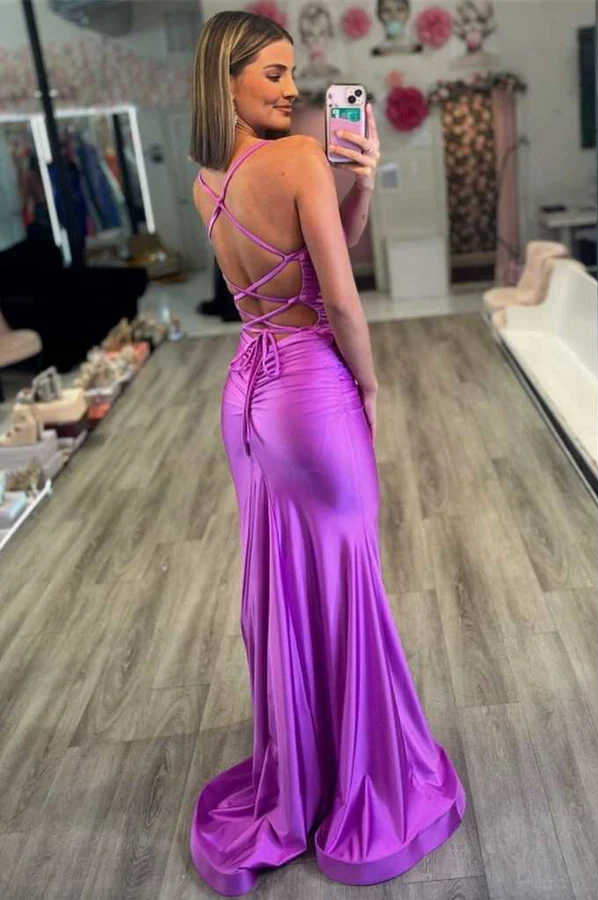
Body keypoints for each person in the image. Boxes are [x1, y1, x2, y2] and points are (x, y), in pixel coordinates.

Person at [188, 11, 466, 896]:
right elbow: (339, 298)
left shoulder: (208, 181)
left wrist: (364, 185)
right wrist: (371, 384)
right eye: (271, 73)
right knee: (347, 583)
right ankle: (364, 779)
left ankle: (302, 772)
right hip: (310, 391)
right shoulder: (301, 158)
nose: (291, 88)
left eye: (291, 72)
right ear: (226, 80)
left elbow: (306, 259)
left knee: (282, 587)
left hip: (247, 397)